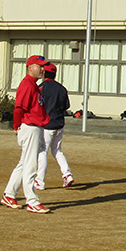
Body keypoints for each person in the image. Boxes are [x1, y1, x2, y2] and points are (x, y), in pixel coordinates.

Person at [1, 55, 51, 214]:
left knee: (24, 163)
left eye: (43, 66)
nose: (42, 69)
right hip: (29, 127)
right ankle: (32, 200)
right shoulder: (28, 85)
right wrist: (16, 125)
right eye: (39, 66)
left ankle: (9, 194)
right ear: (30, 67)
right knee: (30, 165)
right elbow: (19, 108)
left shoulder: (34, 85)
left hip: (34, 126)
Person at [34, 63, 74, 191]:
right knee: (57, 151)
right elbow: (66, 106)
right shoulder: (61, 88)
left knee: (42, 151)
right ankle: (67, 174)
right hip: (59, 123)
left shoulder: (41, 88)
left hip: (47, 124)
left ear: (44, 73)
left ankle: (39, 181)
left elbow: (37, 104)